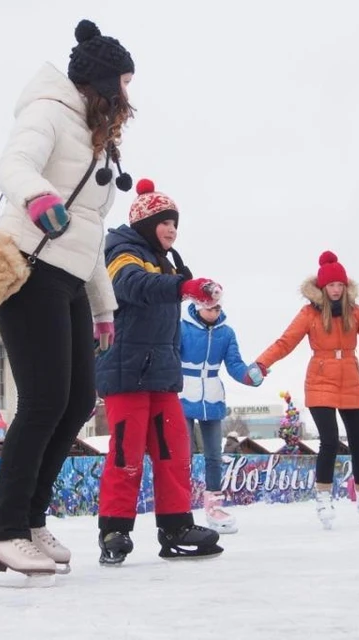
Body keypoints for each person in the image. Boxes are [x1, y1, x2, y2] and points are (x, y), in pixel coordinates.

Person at [0, 18, 136, 579]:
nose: (127, 97)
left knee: (75, 404)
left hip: (68, 276)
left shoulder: (98, 141)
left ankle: (30, 522)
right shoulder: (47, 110)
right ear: (98, 84)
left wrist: (103, 306)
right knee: (45, 400)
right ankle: (4, 532)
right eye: (122, 84)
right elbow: (12, 166)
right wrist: (38, 195)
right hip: (27, 268)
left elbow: (90, 228)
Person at [95, 178, 224, 566]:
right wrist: (185, 286)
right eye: (164, 221)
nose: (171, 229)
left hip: (162, 376)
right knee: (126, 454)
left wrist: (183, 284)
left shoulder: (165, 260)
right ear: (145, 223)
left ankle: (176, 527)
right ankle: (114, 530)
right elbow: (132, 285)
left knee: (174, 453)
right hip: (126, 372)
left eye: (175, 223)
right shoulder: (122, 251)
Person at [253, 251, 359, 528]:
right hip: (320, 379)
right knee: (330, 440)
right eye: (331, 286)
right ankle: (323, 497)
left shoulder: (355, 311)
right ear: (322, 287)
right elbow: (285, 341)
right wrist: (262, 363)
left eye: (340, 285)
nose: (335, 290)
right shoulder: (309, 312)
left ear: (345, 287)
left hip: (350, 378)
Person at [179, 301, 262, 534]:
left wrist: (250, 376)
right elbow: (170, 356)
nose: (214, 313)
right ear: (198, 305)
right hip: (183, 395)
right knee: (182, 455)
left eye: (217, 309)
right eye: (210, 308)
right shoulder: (182, 327)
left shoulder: (226, 332)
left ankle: (214, 507)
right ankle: (179, 506)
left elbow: (234, 364)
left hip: (212, 399)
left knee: (214, 456)